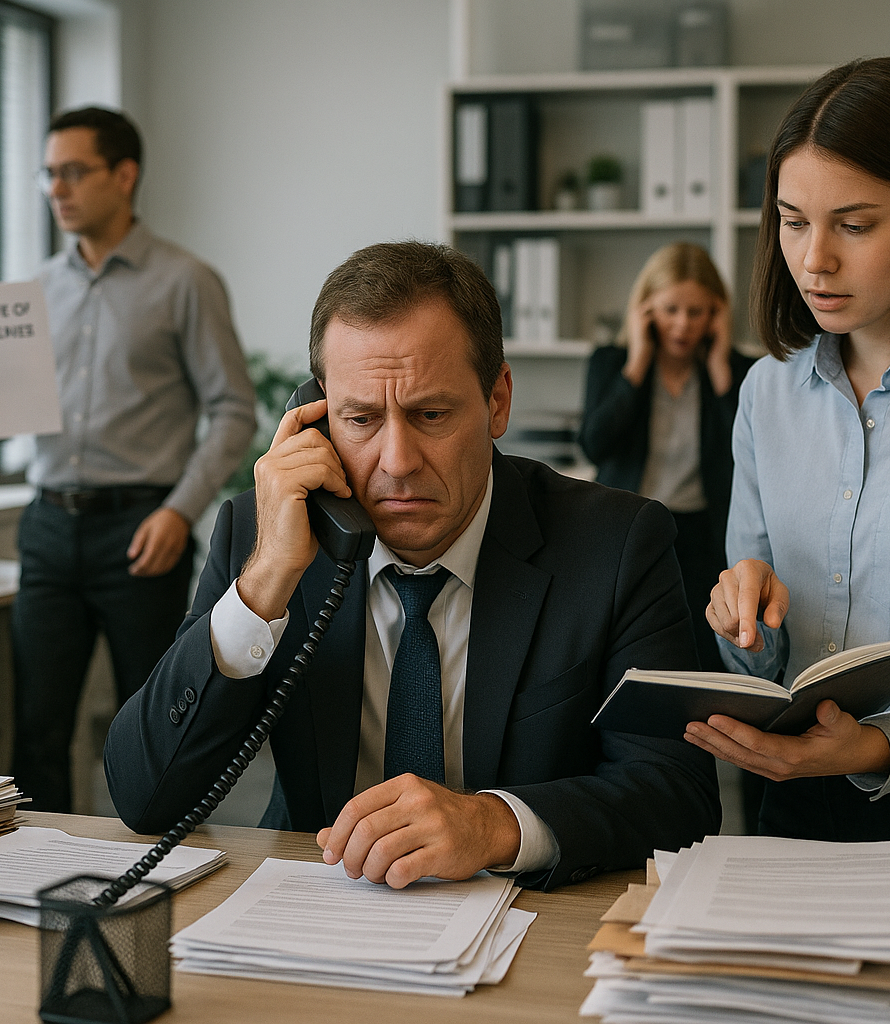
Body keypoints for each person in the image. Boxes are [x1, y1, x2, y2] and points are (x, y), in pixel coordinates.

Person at [103, 240, 721, 891]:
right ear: (316, 417)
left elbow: (677, 791)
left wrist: (494, 825)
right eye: (361, 419)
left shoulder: (616, 543)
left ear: (497, 400)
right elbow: (145, 797)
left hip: (530, 917)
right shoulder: (263, 535)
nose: (397, 461)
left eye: (431, 414)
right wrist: (263, 585)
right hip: (317, 904)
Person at [0, 107, 256, 813]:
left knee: (157, 726)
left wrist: (179, 511)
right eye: (49, 174)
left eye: (74, 172)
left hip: (141, 529)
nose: (57, 188)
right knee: (38, 725)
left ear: (124, 175)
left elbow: (234, 409)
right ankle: (37, 866)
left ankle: (164, 855)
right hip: (48, 527)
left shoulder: (185, 281)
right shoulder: (34, 292)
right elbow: (14, 408)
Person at [688, 56, 890, 845]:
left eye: (854, 224)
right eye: (793, 220)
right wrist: (742, 621)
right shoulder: (767, 394)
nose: (814, 260)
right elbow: (758, 664)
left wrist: (876, 744)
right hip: (794, 799)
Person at [579, 242, 750, 671]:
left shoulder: (738, 371)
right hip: (628, 528)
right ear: (646, 309)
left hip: (703, 536)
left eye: (697, 312)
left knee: (702, 655)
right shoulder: (610, 362)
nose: (682, 325)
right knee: (626, 652)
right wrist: (636, 365)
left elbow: (749, 455)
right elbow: (594, 444)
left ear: (716, 314)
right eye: (670, 310)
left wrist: (721, 373)